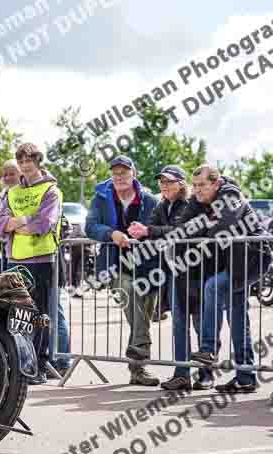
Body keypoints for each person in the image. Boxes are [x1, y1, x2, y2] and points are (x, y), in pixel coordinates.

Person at [175, 165, 271, 393]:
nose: (197, 190)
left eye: (202, 185)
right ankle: (246, 377)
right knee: (238, 317)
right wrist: (203, 224)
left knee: (212, 286)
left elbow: (224, 226)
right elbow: (181, 230)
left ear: (216, 184)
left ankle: (208, 349)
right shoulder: (198, 202)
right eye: (195, 185)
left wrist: (202, 226)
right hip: (233, 263)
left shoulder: (230, 194)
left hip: (252, 259)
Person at [128, 165, 209, 390]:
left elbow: (177, 231)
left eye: (169, 182)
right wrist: (142, 231)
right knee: (179, 324)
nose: (164, 186)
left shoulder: (190, 204)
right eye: (162, 182)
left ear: (182, 184)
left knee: (200, 323)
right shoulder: (163, 204)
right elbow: (153, 229)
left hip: (195, 272)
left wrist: (148, 232)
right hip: (174, 272)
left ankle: (206, 374)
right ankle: (182, 373)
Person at [85, 155, 161, 386]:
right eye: (115, 172)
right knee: (130, 292)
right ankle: (140, 361)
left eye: (124, 172)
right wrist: (111, 234)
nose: (119, 176)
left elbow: (158, 228)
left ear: (133, 174)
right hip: (114, 266)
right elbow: (90, 227)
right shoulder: (100, 198)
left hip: (147, 266)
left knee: (142, 317)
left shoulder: (150, 200)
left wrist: (146, 231)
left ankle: (138, 371)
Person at [0, 143, 65, 384]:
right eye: (21, 161)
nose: (25, 165)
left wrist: (19, 223)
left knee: (41, 315)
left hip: (43, 260)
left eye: (29, 160)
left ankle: (39, 365)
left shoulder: (51, 190)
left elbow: (45, 223)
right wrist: (23, 223)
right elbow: (0, 223)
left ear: (37, 161)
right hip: (15, 259)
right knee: (17, 315)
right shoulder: (11, 193)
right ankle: (19, 364)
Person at [0, 160, 21, 273]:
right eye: (5, 175)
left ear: (21, 173)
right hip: (5, 251)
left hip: (27, 253)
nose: (8, 178)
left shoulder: (29, 195)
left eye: (12, 174)